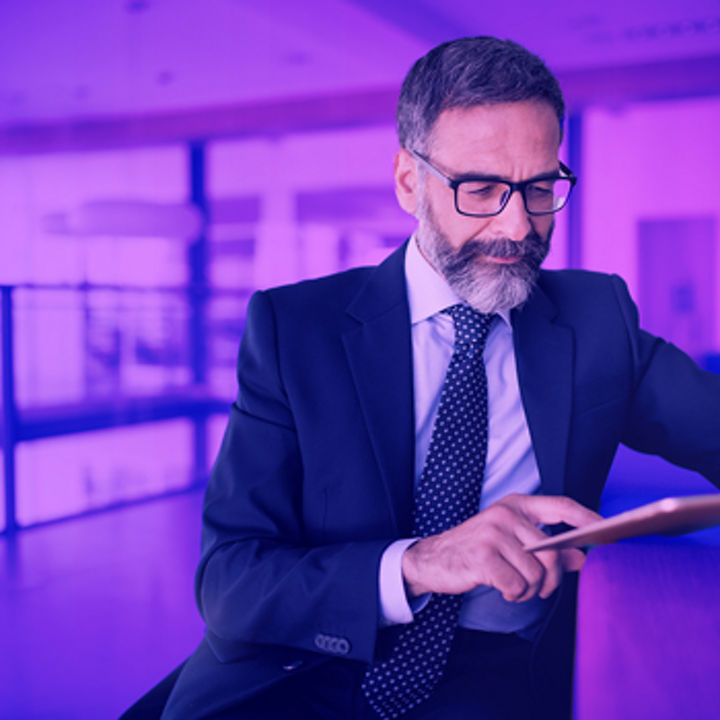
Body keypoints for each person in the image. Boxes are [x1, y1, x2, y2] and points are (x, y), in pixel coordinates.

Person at [161, 37, 720, 719]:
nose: (517, 226)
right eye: (480, 188)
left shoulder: (596, 319)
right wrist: (419, 563)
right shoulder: (295, 330)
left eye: (541, 187)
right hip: (302, 671)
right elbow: (231, 581)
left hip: (502, 677)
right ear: (408, 182)